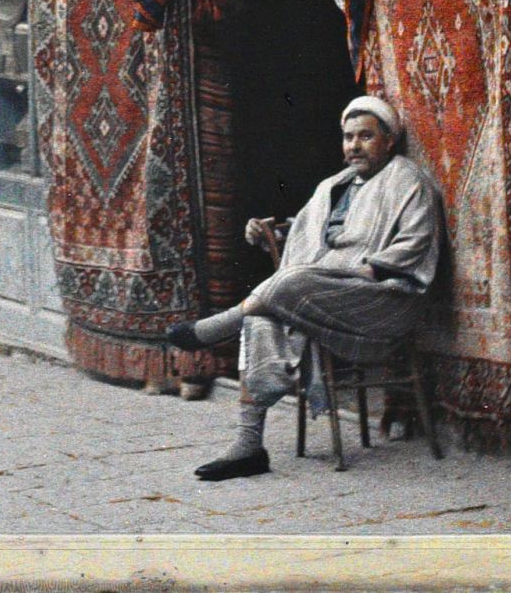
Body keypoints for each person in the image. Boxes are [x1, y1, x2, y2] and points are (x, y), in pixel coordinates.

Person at [166, 94, 443, 480]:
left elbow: (415, 244)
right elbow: (308, 234)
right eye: (348, 137)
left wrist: (361, 271)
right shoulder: (335, 185)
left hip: (382, 298)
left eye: (366, 137)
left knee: (292, 282)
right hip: (323, 291)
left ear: (389, 141)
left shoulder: (409, 181)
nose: (354, 146)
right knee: (261, 319)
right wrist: (265, 235)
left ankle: (214, 328)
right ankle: (249, 446)